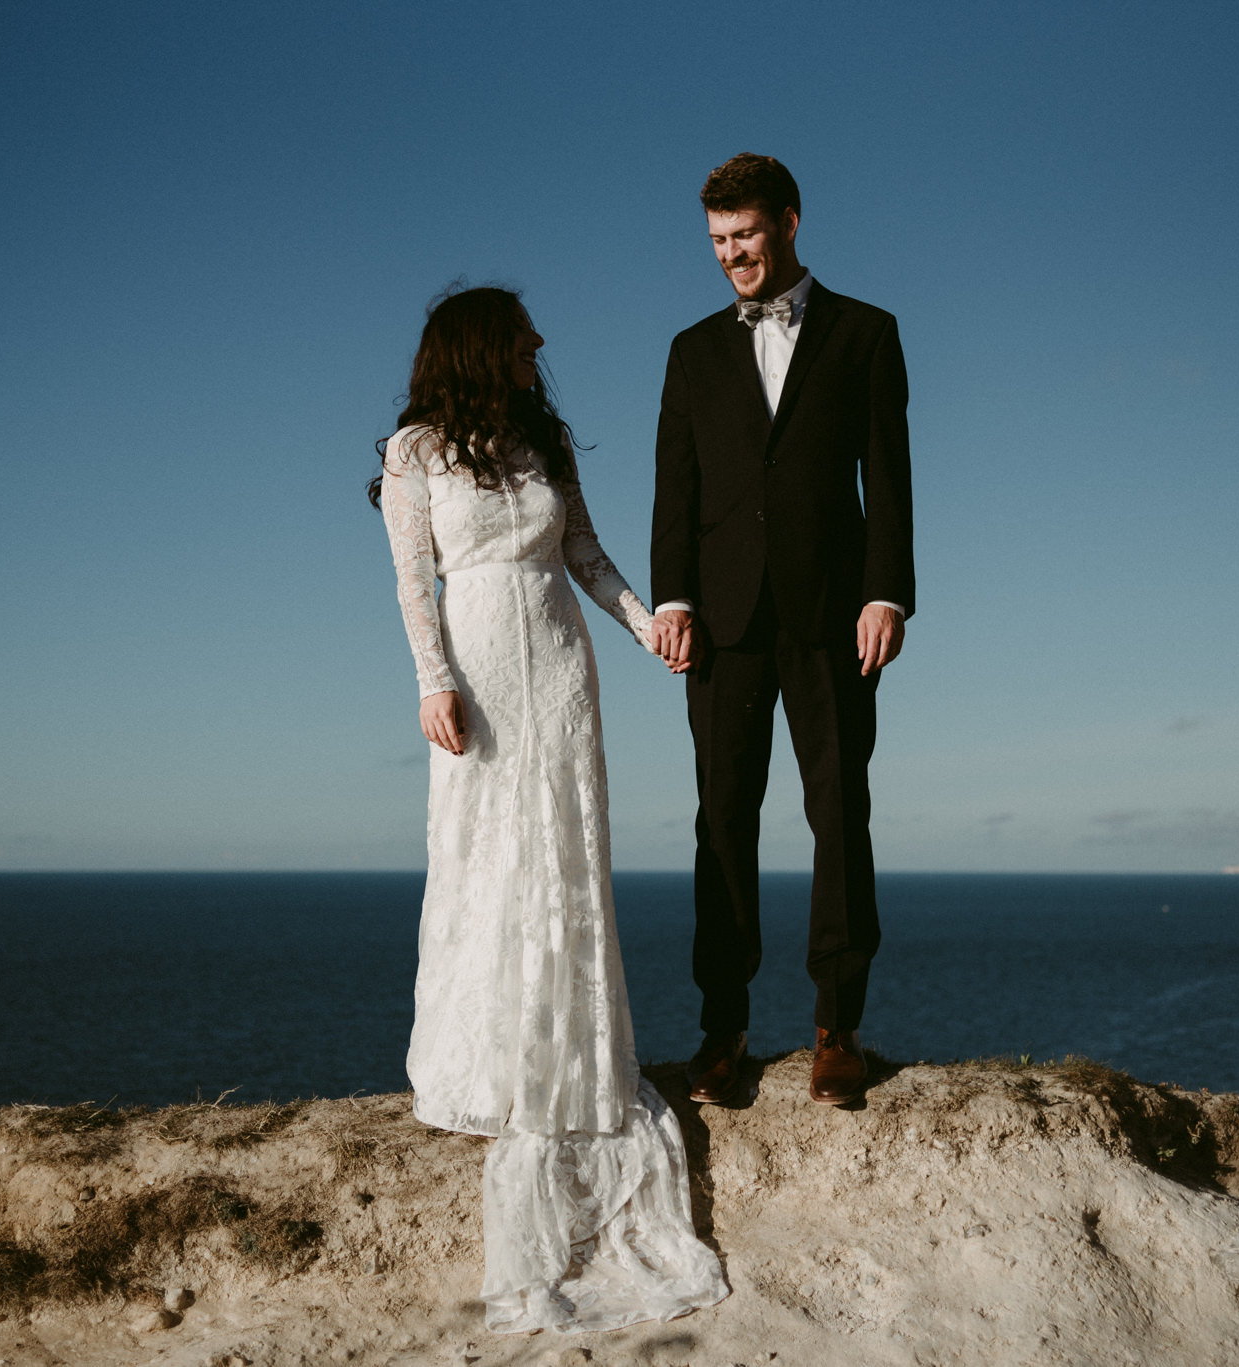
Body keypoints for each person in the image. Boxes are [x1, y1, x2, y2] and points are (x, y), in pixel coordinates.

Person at [373, 285, 727, 1333]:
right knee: (488, 859)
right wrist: (431, 680)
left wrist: (646, 622)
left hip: (561, 662)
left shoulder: (544, 439)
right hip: (477, 666)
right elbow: (410, 583)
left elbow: (587, 555)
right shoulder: (415, 452)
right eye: (521, 340)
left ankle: (567, 1049)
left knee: (563, 859)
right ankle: (486, 1062)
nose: (538, 350)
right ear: (482, 348)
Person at [649, 154, 915, 1109]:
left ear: (790, 223)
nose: (733, 257)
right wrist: (670, 599)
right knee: (722, 821)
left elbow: (888, 477)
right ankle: (723, 1031)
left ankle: (837, 1025)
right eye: (719, 243)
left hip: (832, 616)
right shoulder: (690, 351)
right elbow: (673, 489)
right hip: (720, 627)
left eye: (746, 237)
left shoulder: (867, 334)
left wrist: (886, 591)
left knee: (839, 811)